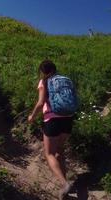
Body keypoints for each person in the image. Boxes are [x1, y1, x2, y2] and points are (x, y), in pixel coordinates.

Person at [28, 60, 74, 199]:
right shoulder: (66, 79)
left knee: (49, 154)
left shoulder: (44, 81)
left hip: (52, 119)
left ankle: (64, 184)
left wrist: (32, 116)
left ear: (43, 71)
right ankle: (65, 186)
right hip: (68, 118)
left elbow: (41, 102)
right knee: (60, 150)